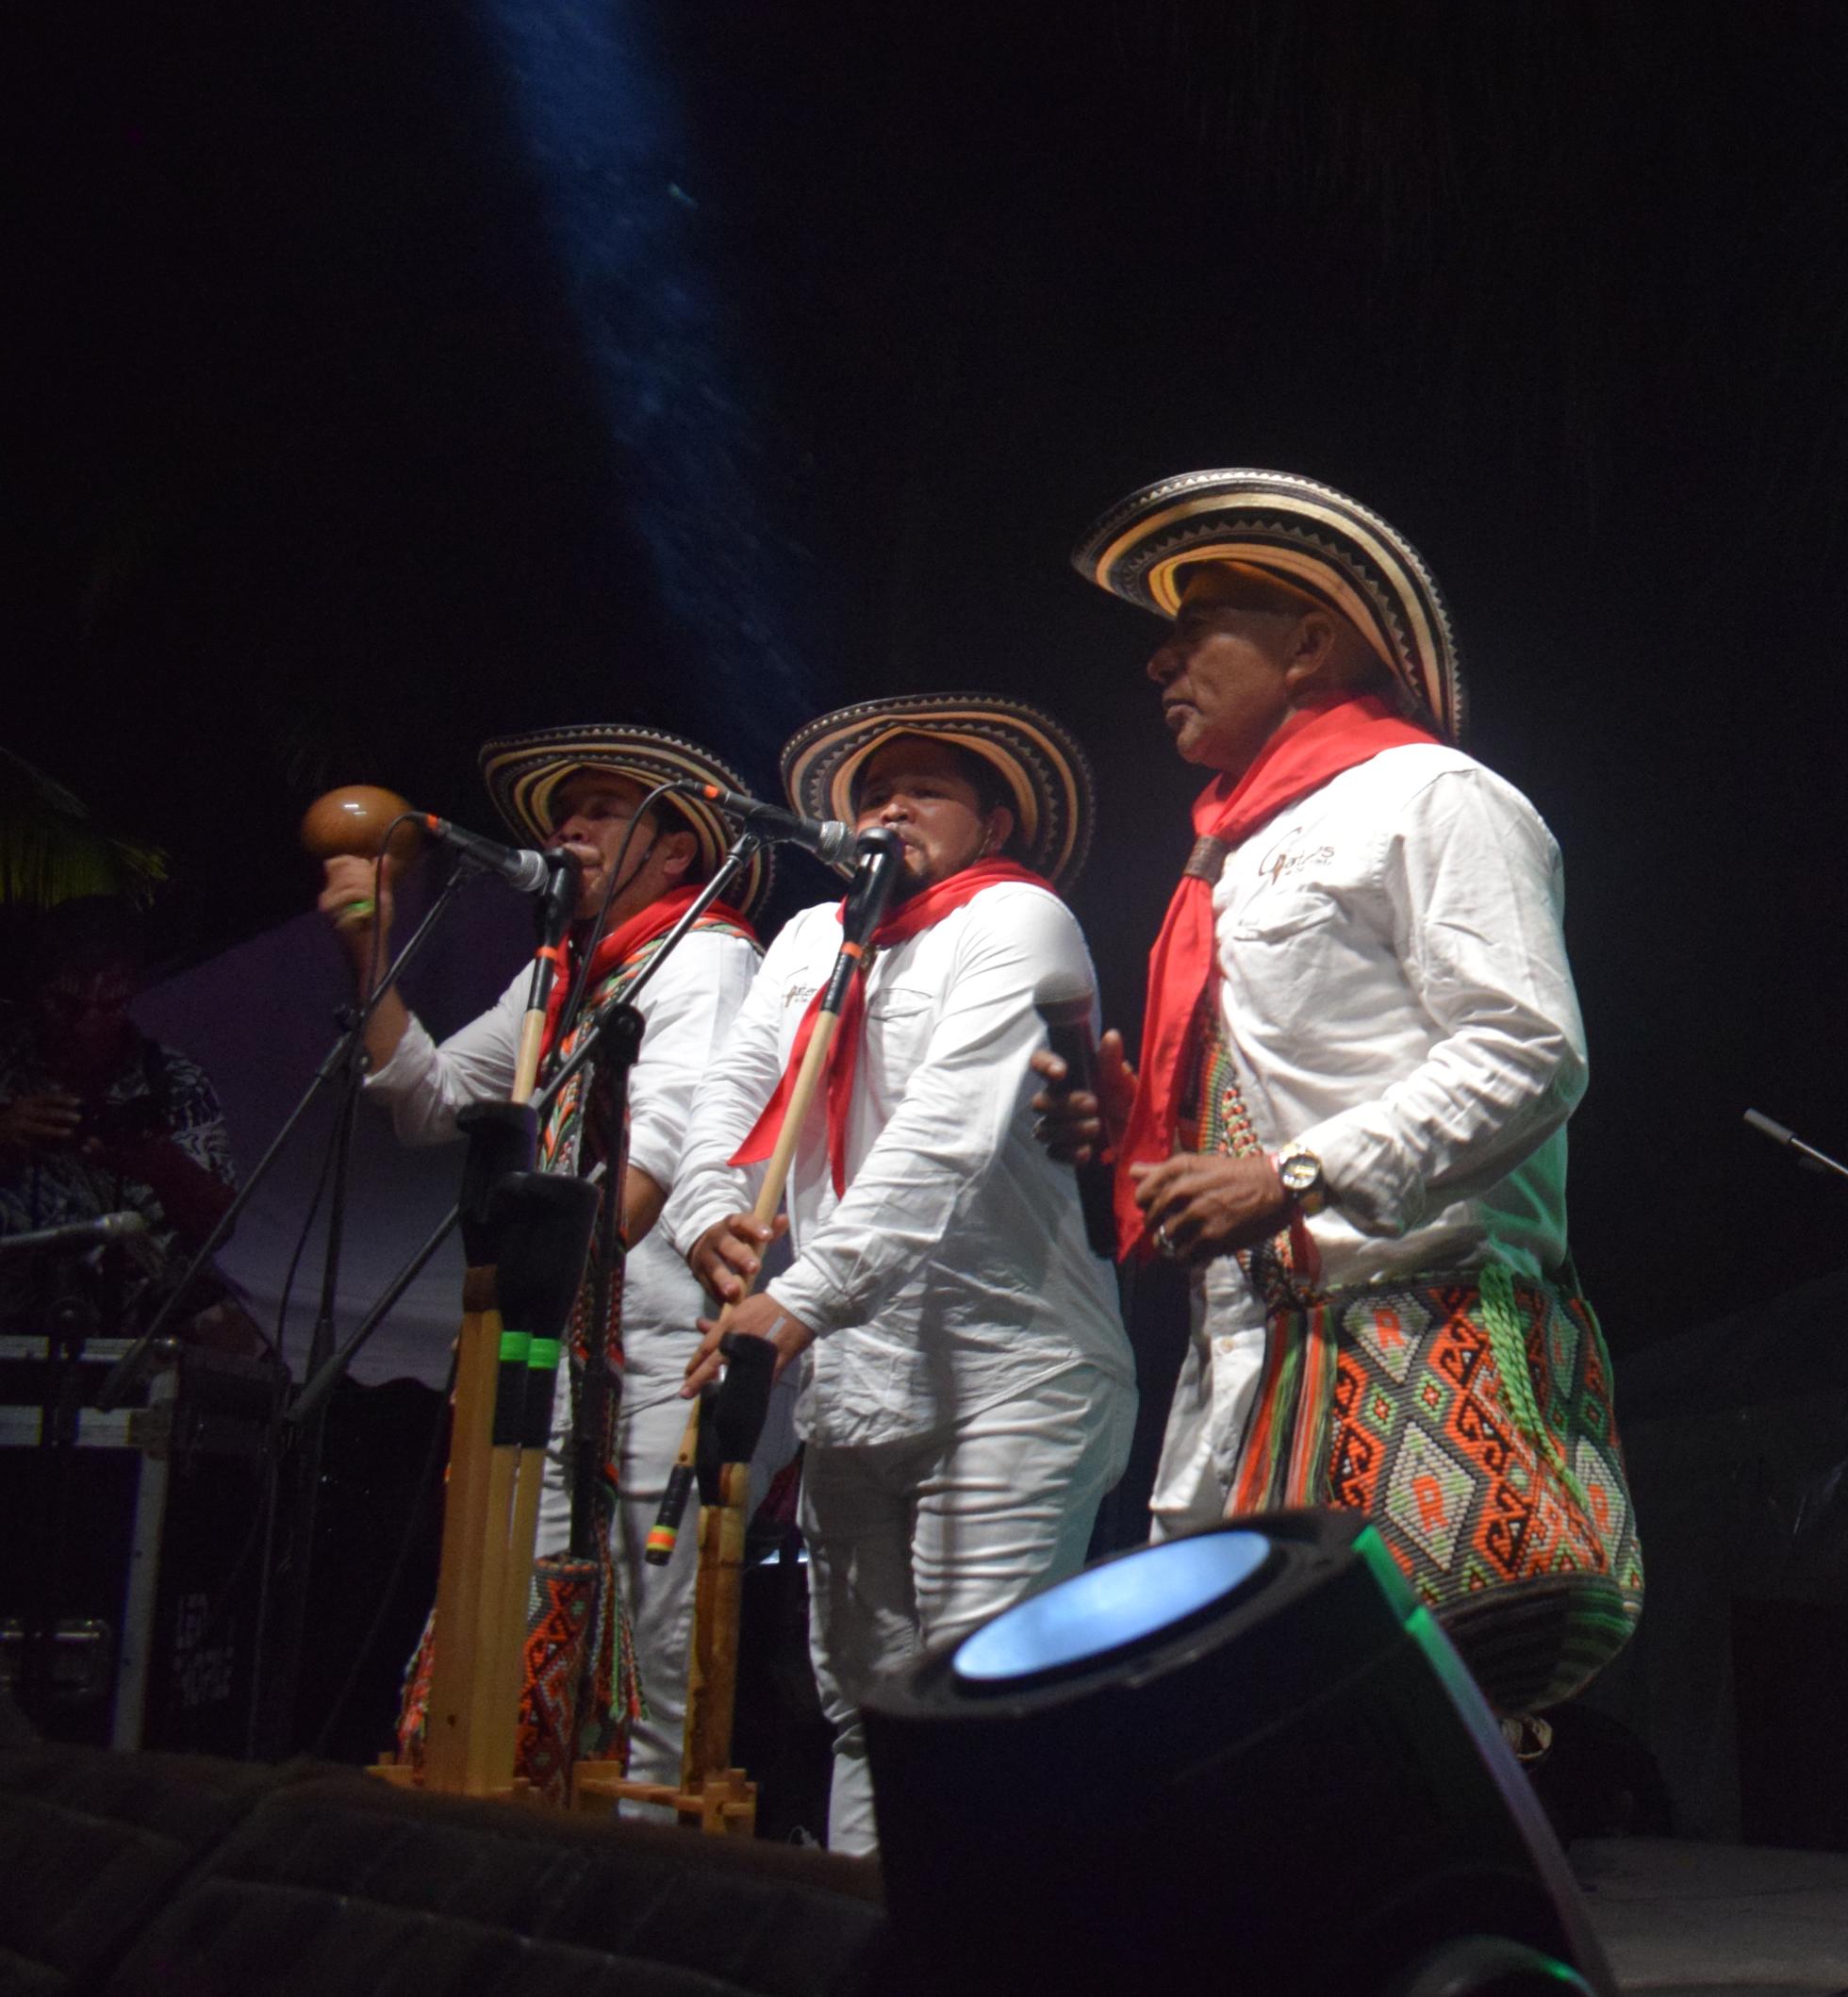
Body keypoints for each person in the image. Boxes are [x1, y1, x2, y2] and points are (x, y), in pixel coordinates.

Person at [1048, 468, 1638, 1722]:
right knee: (1236, 1739)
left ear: (1310, 644)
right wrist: (1137, 1130)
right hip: (1242, 1355)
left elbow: (1529, 1049)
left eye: (1199, 623)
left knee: (1398, 1733)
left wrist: (1293, 1175)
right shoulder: (1230, 846)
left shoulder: (1434, 797)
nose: (1160, 659)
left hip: (1410, 1326)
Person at [669, 694, 1130, 1857]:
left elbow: (945, 1138)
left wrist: (795, 1299)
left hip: (1010, 1376)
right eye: (876, 789)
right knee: (864, 1716)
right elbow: (727, 1093)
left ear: (993, 821)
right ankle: (871, 1938)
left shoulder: (1020, 918)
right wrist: (704, 1207)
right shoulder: (808, 940)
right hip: (854, 1381)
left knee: (978, 1712)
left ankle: (991, 1943)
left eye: (927, 788)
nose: (891, 805)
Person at [322, 726, 770, 1800]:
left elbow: (659, 1159)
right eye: (566, 810)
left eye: (605, 809)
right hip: (555, 1337)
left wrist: (543, 1280)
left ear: (676, 850)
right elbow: (430, 1100)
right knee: (518, 1626)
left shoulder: (706, 955)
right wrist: (371, 950)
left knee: (646, 1663)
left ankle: (633, 1877)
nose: (570, 826)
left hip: (656, 1354)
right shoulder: (559, 974)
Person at [0, 898, 237, 1338]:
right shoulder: (6, 1064)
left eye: (109, 1006)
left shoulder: (172, 1081)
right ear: (38, 989)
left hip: (139, 1328)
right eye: (67, 1005)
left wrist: (159, 1164)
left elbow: (220, 1225)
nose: (87, 1025)